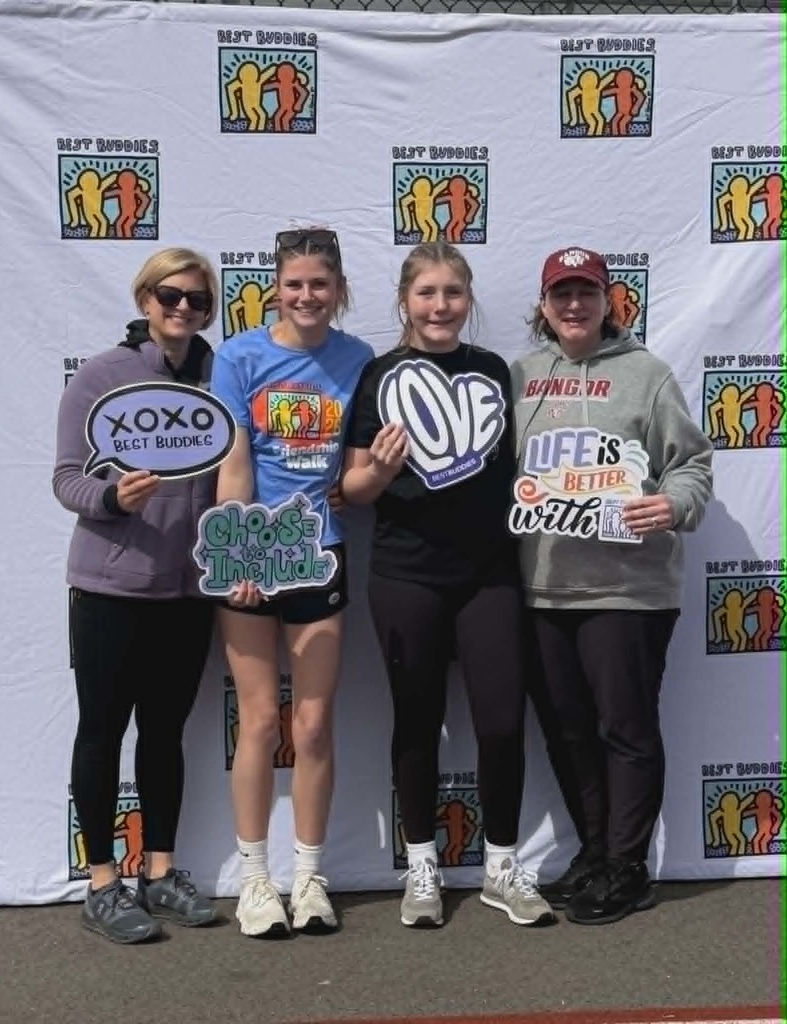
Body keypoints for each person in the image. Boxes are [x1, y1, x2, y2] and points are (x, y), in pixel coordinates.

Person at [341, 241, 553, 929]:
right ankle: (422, 865)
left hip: (489, 575)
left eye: (452, 293)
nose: (439, 306)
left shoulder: (492, 369)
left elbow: (520, 470)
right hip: (406, 575)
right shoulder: (377, 375)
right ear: (404, 300)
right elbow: (351, 488)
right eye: (426, 293)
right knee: (414, 720)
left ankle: (499, 864)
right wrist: (377, 469)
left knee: (499, 721)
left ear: (468, 301)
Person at [510, 246, 713, 925]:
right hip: (541, 589)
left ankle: (626, 867)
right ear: (543, 305)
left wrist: (674, 504)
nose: (573, 305)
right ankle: (594, 853)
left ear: (608, 301)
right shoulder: (519, 376)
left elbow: (689, 465)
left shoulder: (645, 376)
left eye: (586, 293)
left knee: (623, 729)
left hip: (626, 590)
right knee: (567, 732)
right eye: (561, 293)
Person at [53, 248, 222, 943]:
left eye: (198, 300)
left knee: (163, 735)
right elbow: (66, 479)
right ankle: (101, 883)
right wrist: (112, 498)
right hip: (109, 589)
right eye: (170, 296)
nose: (183, 309)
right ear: (145, 299)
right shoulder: (102, 375)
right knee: (100, 734)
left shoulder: (221, 377)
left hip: (187, 591)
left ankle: (159, 873)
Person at [210, 227, 372, 937]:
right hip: (253, 555)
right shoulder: (239, 355)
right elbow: (235, 463)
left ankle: (308, 877)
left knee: (311, 724)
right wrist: (240, 556)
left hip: (322, 554)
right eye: (295, 283)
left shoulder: (358, 358)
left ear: (338, 290)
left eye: (320, 283)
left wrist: (366, 475)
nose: (307, 295)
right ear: (276, 287)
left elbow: (358, 461)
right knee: (261, 721)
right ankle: (254, 881)